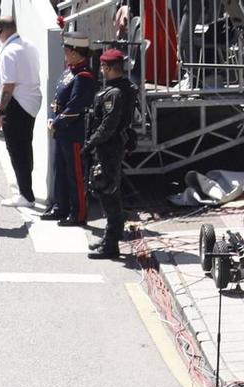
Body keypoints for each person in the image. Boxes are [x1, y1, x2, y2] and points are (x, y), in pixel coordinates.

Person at [86, 48, 137, 260]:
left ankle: (111, 245)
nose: (100, 70)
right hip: (112, 146)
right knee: (110, 193)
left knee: (107, 192)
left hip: (108, 148)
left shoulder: (114, 94)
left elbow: (108, 124)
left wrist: (90, 143)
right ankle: (111, 236)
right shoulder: (123, 88)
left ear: (108, 68)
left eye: (102, 67)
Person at [0, 18, 43, 207]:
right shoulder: (28, 45)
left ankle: (25, 195)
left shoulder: (8, 53)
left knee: (16, 149)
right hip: (31, 101)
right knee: (25, 145)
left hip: (17, 104)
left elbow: (8, 87)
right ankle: (24, 184)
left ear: (0, 31)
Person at [45, 38, 97, 226]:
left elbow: (75, 105)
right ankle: (61, 207)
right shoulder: (71, 71)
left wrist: (58, 122)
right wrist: (52, 117)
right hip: (61, 129)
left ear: (75, 53)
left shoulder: (84, 76)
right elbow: (58, 97)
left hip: (73, 131)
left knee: (75, 174)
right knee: (59, 169)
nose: (65, 55)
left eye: (67, 51)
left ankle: (78, 213)